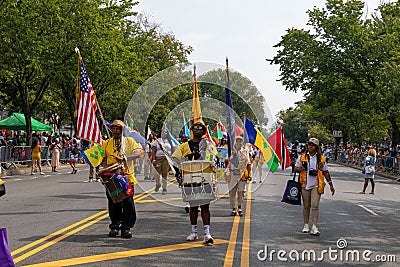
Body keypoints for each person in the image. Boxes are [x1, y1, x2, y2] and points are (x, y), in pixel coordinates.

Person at [172, 120, 218, 244]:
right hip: (190, 180)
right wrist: (178, 174)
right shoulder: (184, 146)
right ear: (192, 131)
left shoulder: (208, 145)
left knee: (205, 207)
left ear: (204, 131)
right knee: (193, 207)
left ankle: (207, 233)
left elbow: (216, 157)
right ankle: (193, 232)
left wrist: (213, 161)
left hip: (205, 179)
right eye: (195, 128)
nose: (197, 129)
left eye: (200, 128)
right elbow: (175, 159)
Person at [101, 120, 141, 239]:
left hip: (126, 177)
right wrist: (105, 166)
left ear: (122, 130)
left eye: (118, 129)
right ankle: (115, 225)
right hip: (112, 178)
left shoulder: (130, 141)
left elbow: (138, 153)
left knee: (128, 203)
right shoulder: (107, 143)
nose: (116, 131)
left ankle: (126, 228)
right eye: (113, 129)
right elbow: (102, 158)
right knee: (114, 202)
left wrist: (124, 158)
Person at [295, 138, 335, 236]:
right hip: (305, 184)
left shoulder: (321, 158)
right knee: (306, 206)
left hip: (317, 185)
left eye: (312, 145)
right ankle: (305, 225)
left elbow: (325, 172)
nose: (310, 146)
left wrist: (331, 185)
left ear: (316, 147)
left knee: (315, 205)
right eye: (309, 144)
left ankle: (314, 226)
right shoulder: (302, 157)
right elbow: (295, 168)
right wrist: (299, 169)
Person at [225, 136, 251, 216]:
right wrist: (232, 156)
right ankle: (233, 208)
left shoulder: (245, 152)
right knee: (232, 193)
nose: (239, 143)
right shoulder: (231, 151)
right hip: (233, 174)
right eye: (237, 141)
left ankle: (239, 207)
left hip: (242, 175)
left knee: (241, 192)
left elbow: (248, 164)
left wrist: (249, 174)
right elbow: (226, 161)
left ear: (242, 143)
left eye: (240, 141)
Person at [151, 129, 175, 194]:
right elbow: (153, 151)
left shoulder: (170, 141)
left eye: (165, 132)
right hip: (158, 158)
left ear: (167, 134)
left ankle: (164, 188)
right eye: (163, 132)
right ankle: (158, 184)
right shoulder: (157, 141)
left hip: (166, 159)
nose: (164, 133)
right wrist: (153, 159)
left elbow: (173, 149)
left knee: (165, 174)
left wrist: (172, 158)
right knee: (156, 173)